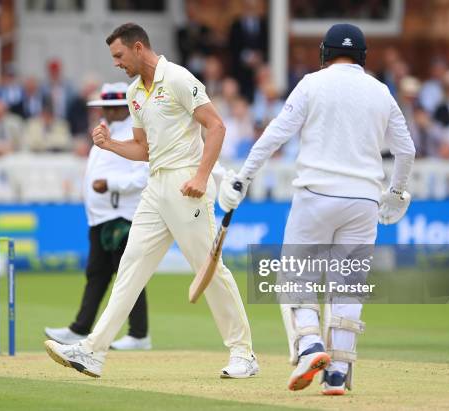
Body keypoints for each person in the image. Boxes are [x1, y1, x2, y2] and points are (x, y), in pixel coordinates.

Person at [44, 23, 257, 379]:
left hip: (186, 183)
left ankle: (243, 354)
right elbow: (143, 150)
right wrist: (110, 144)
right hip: (155, 186)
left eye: (119, 55)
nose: (116, 63)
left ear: (138, 47)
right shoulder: (134, 93)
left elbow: (216, 126)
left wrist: (202, 176)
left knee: (209, 270)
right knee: (130, 267)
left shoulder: (177, 78)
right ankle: (93, 351)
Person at [219, 23, 415, 395]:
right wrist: (396, 192)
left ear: (325, 53)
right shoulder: (380, 91)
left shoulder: (311, 83)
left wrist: (243, 177)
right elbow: (406, 151)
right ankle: (337, 373)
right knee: (348, 288)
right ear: (363, 56)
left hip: (316, 196)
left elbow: (276, 133)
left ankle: (310, 347)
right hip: (363, 202)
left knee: (295, 278)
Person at [44, 82, 152, 350]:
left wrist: (110, 184)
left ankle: (139, 334)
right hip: (101, 216)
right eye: (103, 106)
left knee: (127, 273)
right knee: (97, 273)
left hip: (122, 216)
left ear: (122, 108)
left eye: (110, 107)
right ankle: (80, 328)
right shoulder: (107, 130)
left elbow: (143, 175)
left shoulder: (134, 132)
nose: (104, 111)